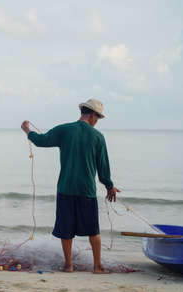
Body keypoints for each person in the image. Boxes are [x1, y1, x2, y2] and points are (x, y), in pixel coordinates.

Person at [21, 98, 120, 274]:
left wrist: (27, 130)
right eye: (98, 118)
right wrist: (109, 186)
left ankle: (69, 266)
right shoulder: (98, 137)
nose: (97, 122)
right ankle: (97, 267)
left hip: (65, 189)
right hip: (86, 191)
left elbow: (41, 141)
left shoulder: (64, 130)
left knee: (66, 230)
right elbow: (103, 167)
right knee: (93, 230)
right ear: (92, 115)